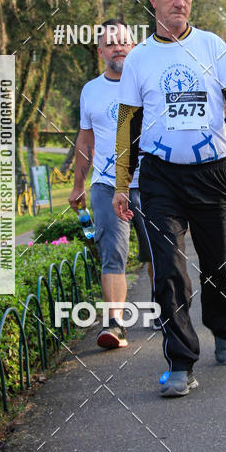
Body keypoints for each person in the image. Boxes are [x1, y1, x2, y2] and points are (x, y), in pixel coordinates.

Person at [112, 0, 226, 398]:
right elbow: (127, 125)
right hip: (160, 178)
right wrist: (123, 183)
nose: (180, 3)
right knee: (169, 271)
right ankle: (180, 360)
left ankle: (224, 328)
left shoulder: (212, 46)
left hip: (213, 173)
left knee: (223, 266)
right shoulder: (139, 58)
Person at [68, 20, 152, 351]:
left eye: (124, 41)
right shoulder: (90, 90)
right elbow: (85, 139)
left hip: (151, 180)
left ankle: (166, 311)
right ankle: (114, 324)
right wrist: (78, 185)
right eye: (111, 43)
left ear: (133, 47)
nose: (118, 47)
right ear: (101, 51)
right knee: (111, 254)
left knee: (158, 252)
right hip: (105, 183)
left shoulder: (147, 83)